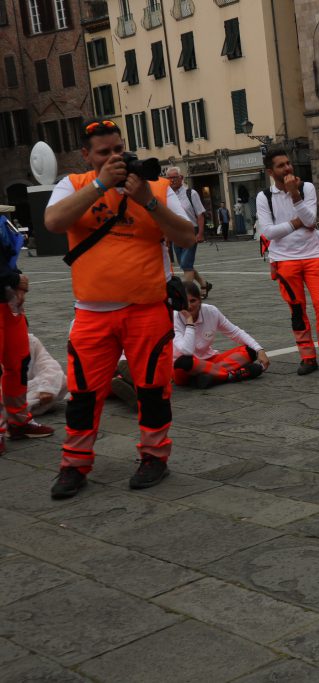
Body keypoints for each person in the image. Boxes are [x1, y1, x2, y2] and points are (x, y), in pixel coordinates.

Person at [43, 117, 196, 498]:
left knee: (153, 388)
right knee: (82, 394)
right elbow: (53, 221)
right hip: (92, 312)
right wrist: (99, 184)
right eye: (104, 153)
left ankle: (154, 457)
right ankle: (74, 465)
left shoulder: (155, 186)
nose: (114, 158)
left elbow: (187, 235)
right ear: (86, 155)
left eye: (118, 150)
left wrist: (146, 200)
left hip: (146, 308)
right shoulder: (73, 184)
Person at [256, 146, 319, 375]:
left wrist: (294, 194)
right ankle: (307, 357)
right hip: (284, 260)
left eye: (288, 163)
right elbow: (267, 233)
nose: (287, 167)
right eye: (281, 165)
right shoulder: (264, 197)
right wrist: (295, 224)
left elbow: (310, 220)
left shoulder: (305, 188)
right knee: (297, 310)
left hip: (312, 256)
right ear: (270, 171)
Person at [0, 213, 54, 455]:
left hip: (7, 304)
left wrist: (16, 282)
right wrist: (16, 279)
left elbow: (6, 258)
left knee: (19, 362)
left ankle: (18, 421)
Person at [172, 281, 268, 388]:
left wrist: (259, 349)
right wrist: (189, 322)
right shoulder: (174, 317)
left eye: (193, 301)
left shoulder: (211, 311)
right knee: (184, 362)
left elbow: (235, 332)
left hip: (210, 360)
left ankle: (210, 376)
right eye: (185, 302)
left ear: (199, 300)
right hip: (187, 366)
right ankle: (231, 375)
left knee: (250, 350)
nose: (189, 306)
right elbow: (186, 351)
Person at [165, 167, 212, 298]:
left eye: (174, 177)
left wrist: (200, 233)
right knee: (185, 264)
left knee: (186, 264)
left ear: (181, 178)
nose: (172, 180)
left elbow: (200, 214)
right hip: (175, 232)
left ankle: (186, 294)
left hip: (191, 231)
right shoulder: (167, 194)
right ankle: (203, 284)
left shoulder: (191, 193)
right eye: (169, 178)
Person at [27, 333, 68, 416]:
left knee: (61, 379)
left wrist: (46, 388)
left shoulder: (30, 341)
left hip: (25, 388)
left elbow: (48, 364)